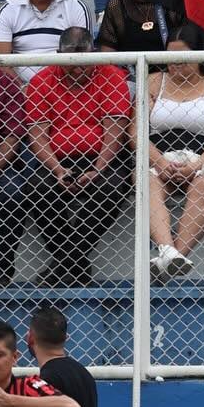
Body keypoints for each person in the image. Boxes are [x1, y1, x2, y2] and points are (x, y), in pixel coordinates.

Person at [25, 28, 130, 285]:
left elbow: (114, 131)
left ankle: (64, 262)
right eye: (70, 62)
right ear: (60, 55)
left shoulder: (111, 76)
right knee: (36, 187)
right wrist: (57, 169)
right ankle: (75, 263)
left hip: (102, 158)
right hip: (57, 161)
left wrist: (98, 169)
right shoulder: (42, 80)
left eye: (82, 61)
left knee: (112, 186)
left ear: (92, 53)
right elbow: (38, 135)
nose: (77, 69)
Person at [143, 27, 204, 281]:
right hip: (160, 157)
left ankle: (175, 257)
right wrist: (159, 161)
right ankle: (168, 250)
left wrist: (198, 165)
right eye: (170, 58)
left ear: (199, 56)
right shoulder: (153, 80)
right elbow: (136, 133)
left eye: (183, 58)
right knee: (146, 182)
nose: (175, 65)